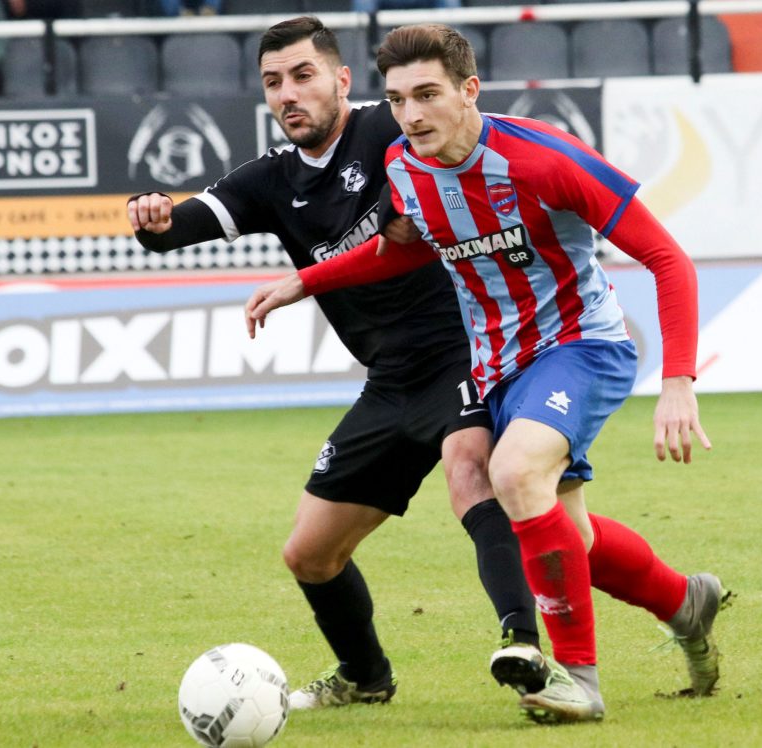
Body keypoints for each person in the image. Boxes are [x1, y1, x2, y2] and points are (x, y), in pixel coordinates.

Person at [246, 22, 730, 724]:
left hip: (579, 345)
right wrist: (306, 281)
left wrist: (679, 381)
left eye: (428, 95)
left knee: (514, 474)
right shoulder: (406, 168)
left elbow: (667, 259)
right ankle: (685, 602)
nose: (411, 115)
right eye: (398, 99)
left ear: (470, 90)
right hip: (496, 362)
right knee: (565, 534)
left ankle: (578, 682)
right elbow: (403, 248)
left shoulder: (544, 160)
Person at [127, 16, 547, 711]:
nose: (288, 94)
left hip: (467, 351)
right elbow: (184, 223)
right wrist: (152, 217)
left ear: (342, 80)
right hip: (390, 384)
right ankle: (365, 676)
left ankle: (522, 644)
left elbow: (468, 147)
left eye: (303, 76)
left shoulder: (393, 126)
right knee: (310, 554)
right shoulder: (273, 178)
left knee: (470, 472)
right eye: (273, 83)